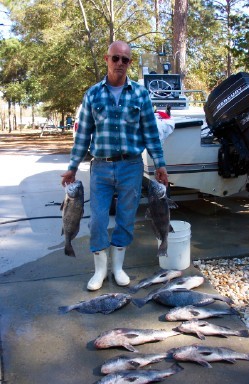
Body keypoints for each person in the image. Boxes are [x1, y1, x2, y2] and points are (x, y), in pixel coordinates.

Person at [61, 40, 168, 291]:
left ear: (130, 63)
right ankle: (99, 270)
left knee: (125, 218)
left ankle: (118, 268)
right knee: (97, 219)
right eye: (116, 58)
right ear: (106, 59)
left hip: (131, 166)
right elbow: (83, 135)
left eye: (125, 59)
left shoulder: (141, 94)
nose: (120, 63)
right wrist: (72, 166)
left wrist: (160, 164)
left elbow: (151, 133)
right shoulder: (93, 94)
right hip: (100, 166)